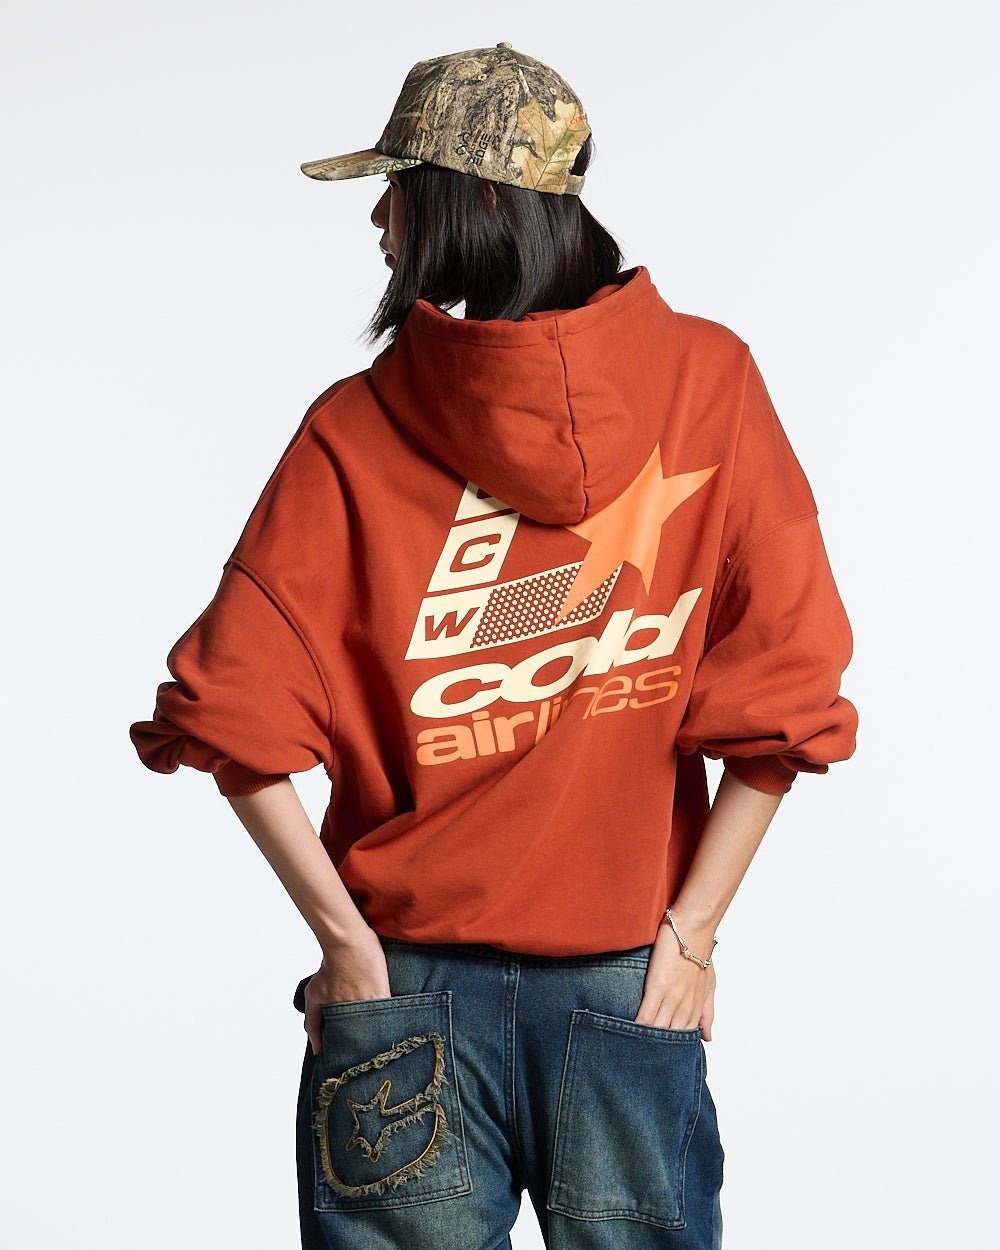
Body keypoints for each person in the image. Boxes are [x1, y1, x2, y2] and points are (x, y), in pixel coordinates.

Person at [129, 41, 858, 1250]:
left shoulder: (355, 427)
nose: (379, 218)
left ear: (461, 202)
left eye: (397, 186)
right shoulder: (710, 383)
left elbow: (226, 715)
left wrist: (347, 946)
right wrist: (688, 936)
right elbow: (790, 693)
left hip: (406, 990)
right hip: (621, 985)